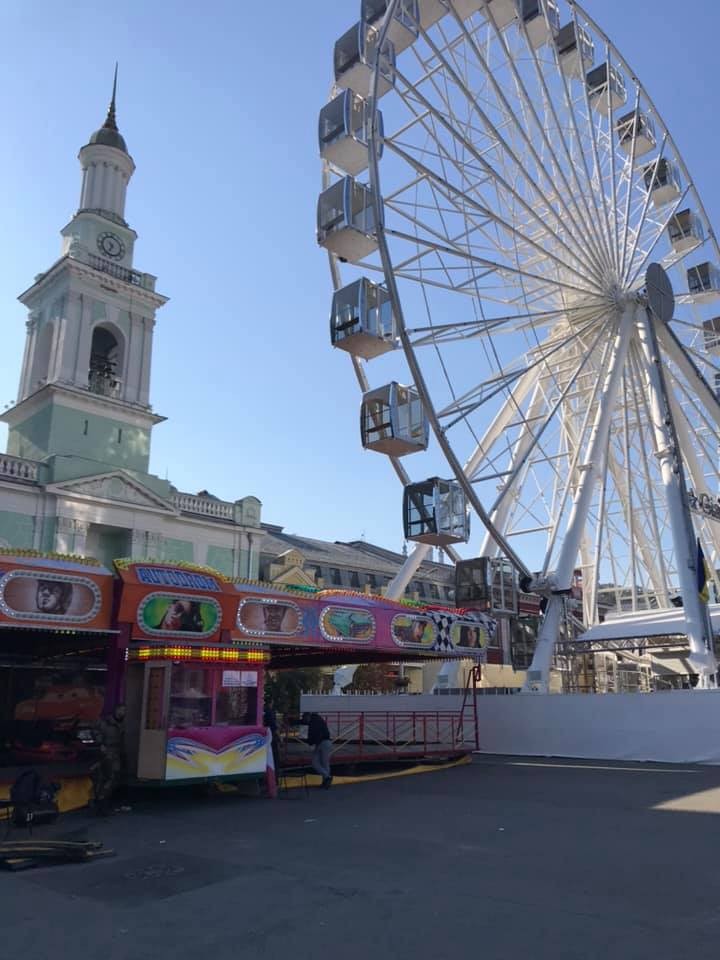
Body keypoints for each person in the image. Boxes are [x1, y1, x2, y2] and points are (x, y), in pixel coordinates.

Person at [92, 704, 126, 815]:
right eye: (121, 710)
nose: (123, 712)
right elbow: (96, 731)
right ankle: (101, 801)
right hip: (108, 751)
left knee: (113, 777)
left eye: (124, 710)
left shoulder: (123, 723)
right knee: (110, 777)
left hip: (117, 751)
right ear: (116, 710)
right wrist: (101, 743)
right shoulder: (105, 722)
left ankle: (103, 801)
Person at [303, 711, 332, 788]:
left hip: (322, 743)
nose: (306, 722)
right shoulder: (317, 719)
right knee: (324, 763)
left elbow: (316, 734)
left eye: (306, 720)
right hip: (324, 742)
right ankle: (327, 779)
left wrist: (310, 742)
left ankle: (326, 779)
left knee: (316, 763)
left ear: (308, 717)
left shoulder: (314, 722)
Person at [263, 700, 280, 772]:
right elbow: (273, 725)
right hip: (272, 735)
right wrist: (278, 736)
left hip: (267, 735)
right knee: (274, 755)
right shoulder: (270, 712)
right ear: (270, 703)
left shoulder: (264, 711)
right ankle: (275, 772)